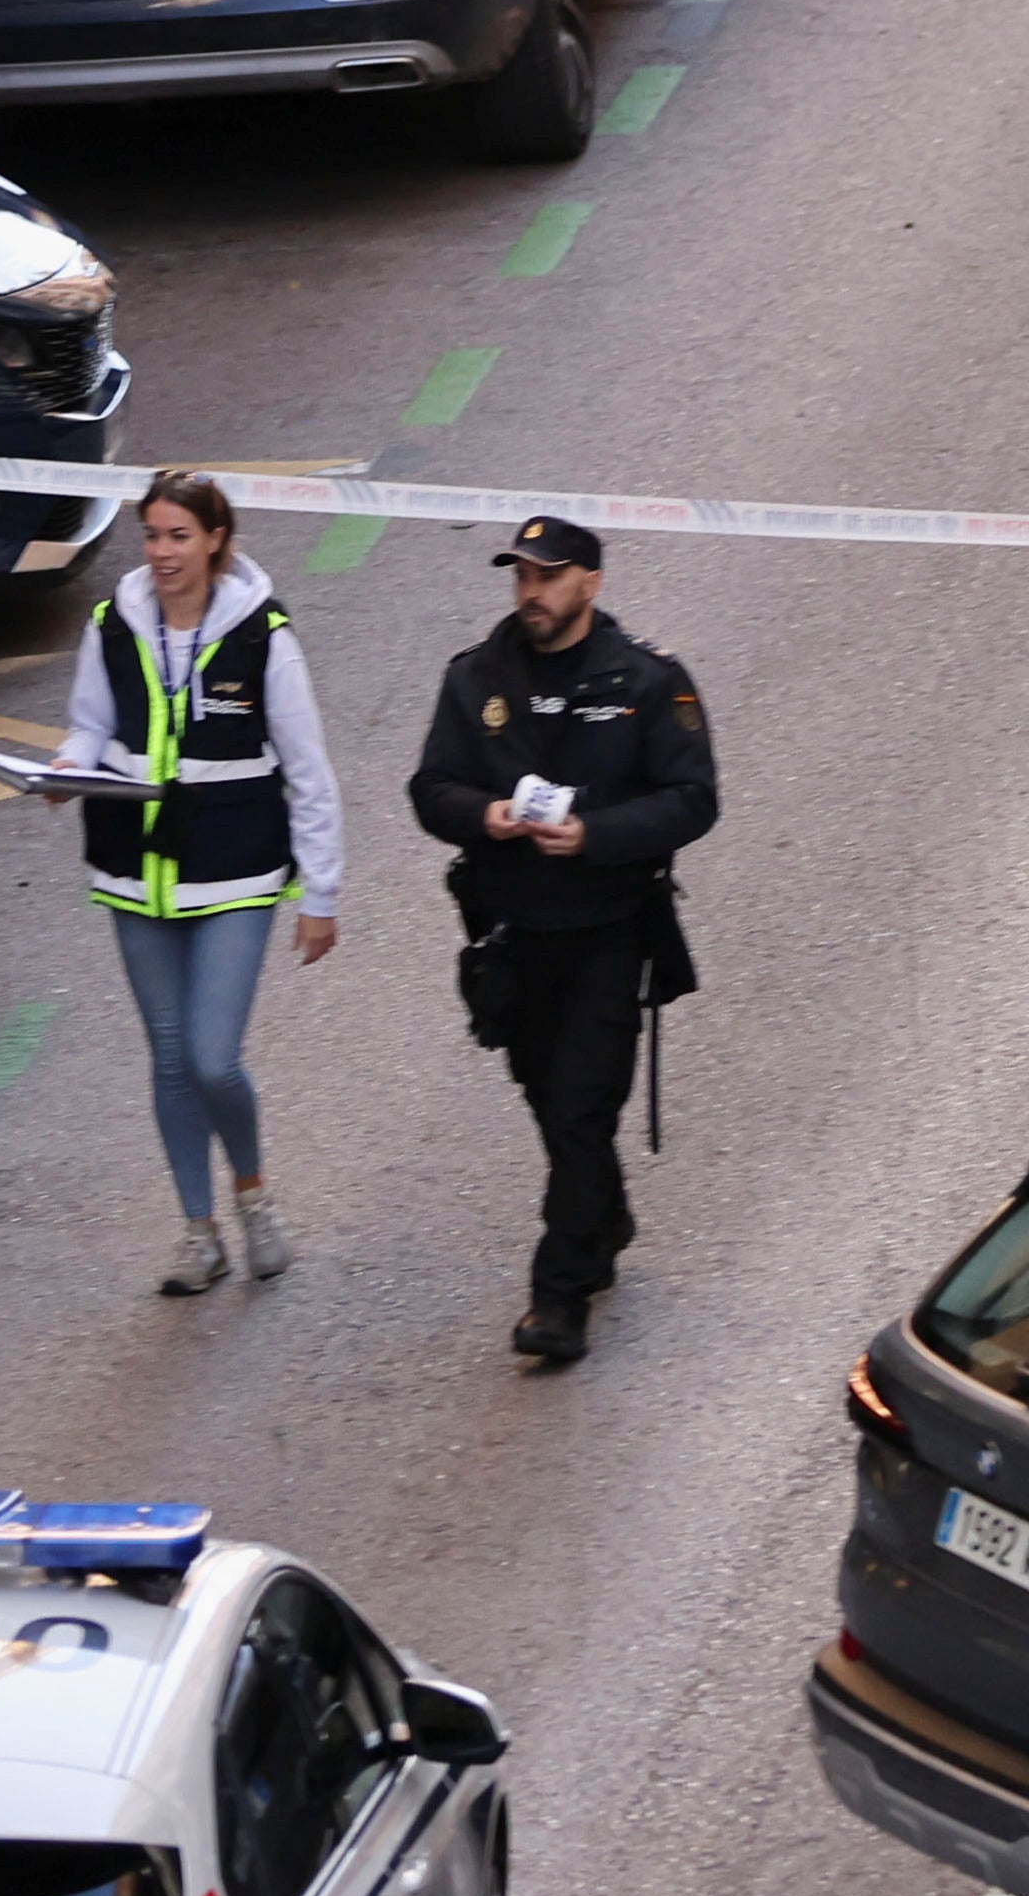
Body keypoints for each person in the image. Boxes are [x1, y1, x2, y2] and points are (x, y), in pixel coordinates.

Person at [405, 514, 715, 1367]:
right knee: (552, 1103)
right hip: (511, 936)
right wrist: (486, 815)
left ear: (591, 582)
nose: (530, 592)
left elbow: (693, 799)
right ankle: (603, 1216)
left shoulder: (647, 681)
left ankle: (559, 1295)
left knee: (581, 1108)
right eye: (521, 576)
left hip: (609, 933)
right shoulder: (477, 679)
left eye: (548, 575)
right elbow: (431, 787)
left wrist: (597, 836)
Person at [50, 469, 349, 1292]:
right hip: (133, 873)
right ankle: (198, 1230)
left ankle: (253, 1195)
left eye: (179, 536)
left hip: (236, 873)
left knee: (214, 1058)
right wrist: (69, 768)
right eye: (151, 536)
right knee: (170, 1057)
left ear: (216, 539)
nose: (163, 553)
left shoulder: (264, 636)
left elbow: (310, 773)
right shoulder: (114, 623)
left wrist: (319, 894)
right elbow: (88, 724)